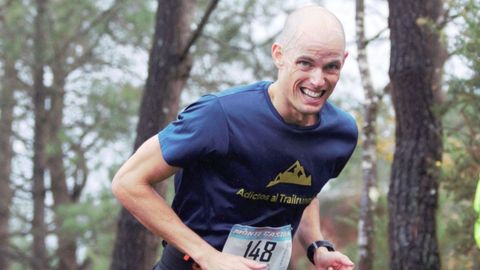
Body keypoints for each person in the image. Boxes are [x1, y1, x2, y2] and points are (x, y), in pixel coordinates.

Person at [112, 5, 358, 270]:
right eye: (305, 63)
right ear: (279, 55)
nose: (318, 80)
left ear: (343, 61)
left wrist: (317, 246)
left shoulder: (340, 133)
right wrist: (208, 256)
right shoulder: (220, 115)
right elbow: (128, 182)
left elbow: (304, 192)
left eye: (331, 67)